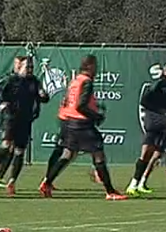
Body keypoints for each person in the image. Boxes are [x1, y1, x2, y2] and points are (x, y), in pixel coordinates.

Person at [40, 55, 126, 200]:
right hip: (82, 124)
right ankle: (110, 191)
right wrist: (96, 116)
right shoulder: (86, 82)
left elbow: (69, 101)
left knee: (67, 154)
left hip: (69, 122)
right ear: (90, 66)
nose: (96, 70)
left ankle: (47, 183)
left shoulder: (75, 80)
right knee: (98, 154)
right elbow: (80, 105)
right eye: (95, 66)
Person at [127, 57, 166, 197]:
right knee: (146, 153)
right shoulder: (159, 84)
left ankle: (140, 183)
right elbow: (145, 101)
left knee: (155, 153)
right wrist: (165, 113)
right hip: (155, 121)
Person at [0, 56, 49, 196]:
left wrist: (43, 95)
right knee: (6, 145)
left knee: (20, 151)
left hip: (26, 120)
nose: (30, 69)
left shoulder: (34, 81)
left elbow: (44, 98)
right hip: (11, 118)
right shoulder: (11, 80)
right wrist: (2, 102)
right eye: (27, 67)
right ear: (20, 67)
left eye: (31, 67)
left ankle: (12, 182)